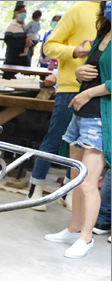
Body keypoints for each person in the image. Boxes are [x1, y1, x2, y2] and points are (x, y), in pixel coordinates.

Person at [44, 1, 110, 258]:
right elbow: (93, 71)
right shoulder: (103, 33)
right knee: (75, 177)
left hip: (102, 117)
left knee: (89, 183)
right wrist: (80, 71)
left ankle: (86, 236)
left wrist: (91, 92)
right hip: (82, 111)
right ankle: (74, 228)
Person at [27, 1, 101, 207]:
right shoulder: (79, 9)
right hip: (71, 87)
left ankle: (69, 191)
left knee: (84, 146)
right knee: (56, 139)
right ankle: (36, 187)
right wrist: (74, 52)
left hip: (101, 91)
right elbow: (49, 46)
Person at [3, 4, 30, 76]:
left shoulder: (27, 27)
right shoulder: (11, 27)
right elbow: (9, 42)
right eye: (21, 12)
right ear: (16, 14)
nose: (23, 14)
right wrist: (24, 42)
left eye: (24, 11)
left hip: (25, 60)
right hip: (13, 59)